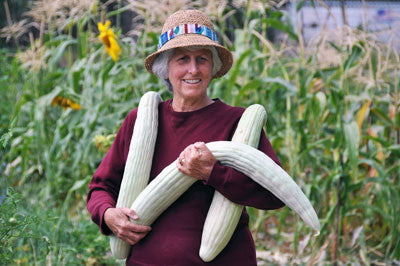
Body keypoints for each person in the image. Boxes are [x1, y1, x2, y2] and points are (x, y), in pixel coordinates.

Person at [87, 9, 285, 265]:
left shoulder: (238, 123)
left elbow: (275, 194)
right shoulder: (141, 119)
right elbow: (101, 187)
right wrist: (107, 214)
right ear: (165, 68)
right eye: (182, 59)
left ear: (213, 67)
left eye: (202, 59)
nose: (193, 69)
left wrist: (213, 173)